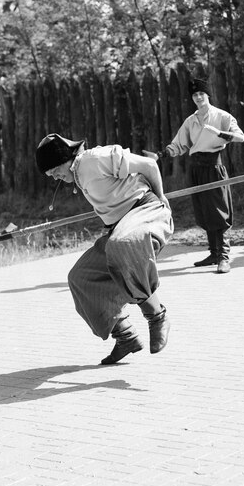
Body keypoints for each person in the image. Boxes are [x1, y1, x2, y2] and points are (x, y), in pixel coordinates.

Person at [35, 133, 174, 365]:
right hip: (119, 227)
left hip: (144, 210)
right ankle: (125, 336)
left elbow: (149, 165)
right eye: (50, 174)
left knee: (122, 245)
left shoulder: (95, 158)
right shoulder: (78, 175)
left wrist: (162, 199)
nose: (53, 176)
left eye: (54, 169)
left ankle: (157, 316)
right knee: (80, 278)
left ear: (66, 158)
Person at [143, 78, 244, 274]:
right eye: (195, 95)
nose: (198, 98)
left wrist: (220, 133)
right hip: (196, 168)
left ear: (208, 95)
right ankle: (214, 253)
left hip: (214, 166)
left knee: (219, 212)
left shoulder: (222, 116)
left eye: (201, 94)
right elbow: (179, 144)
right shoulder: (191, 121)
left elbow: (241, 137)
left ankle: (224, 257)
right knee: (204, 212)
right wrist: (159, 155)